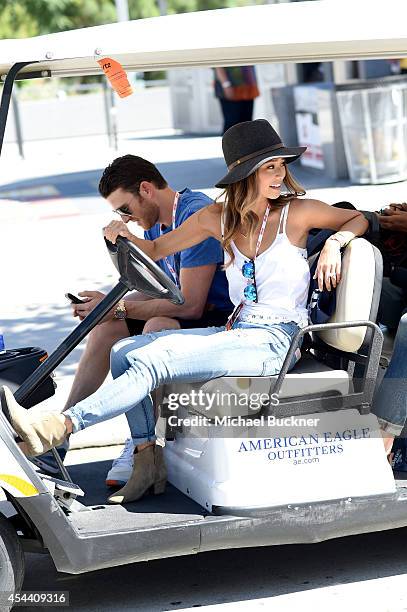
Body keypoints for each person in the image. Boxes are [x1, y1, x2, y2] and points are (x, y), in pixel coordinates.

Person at [2, 119, 369, 505]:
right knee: (123, 352)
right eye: (269, 168)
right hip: (237, 330)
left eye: (280, 166)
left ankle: (57, 428)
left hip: (278, 341)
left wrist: (335, 243)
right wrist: (122, 237)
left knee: (153, 360)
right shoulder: (217, 218)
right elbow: (156, 252)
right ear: (246, 175)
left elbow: (357, 217)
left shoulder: (300, 212)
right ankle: (147, 461)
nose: (279, 175)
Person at [33, 155, 233, 484]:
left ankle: (144, 441)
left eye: (126, 209)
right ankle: (59, 441)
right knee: (107, 328)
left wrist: (120, 308)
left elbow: (190, 306)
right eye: (118, 213)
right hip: (192, 313)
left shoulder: (194, 212)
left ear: (146, 189)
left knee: (156, 330)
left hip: (220, 319)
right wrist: (108, 306)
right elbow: (159, 292)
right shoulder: (154, 222)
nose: (126, 218)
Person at [214, 66, 259, 134]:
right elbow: (217, 65)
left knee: (247, 124)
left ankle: (246, 144)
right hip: (231, 87)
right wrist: (226, 84)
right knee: (232, 124)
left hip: (248, 87)